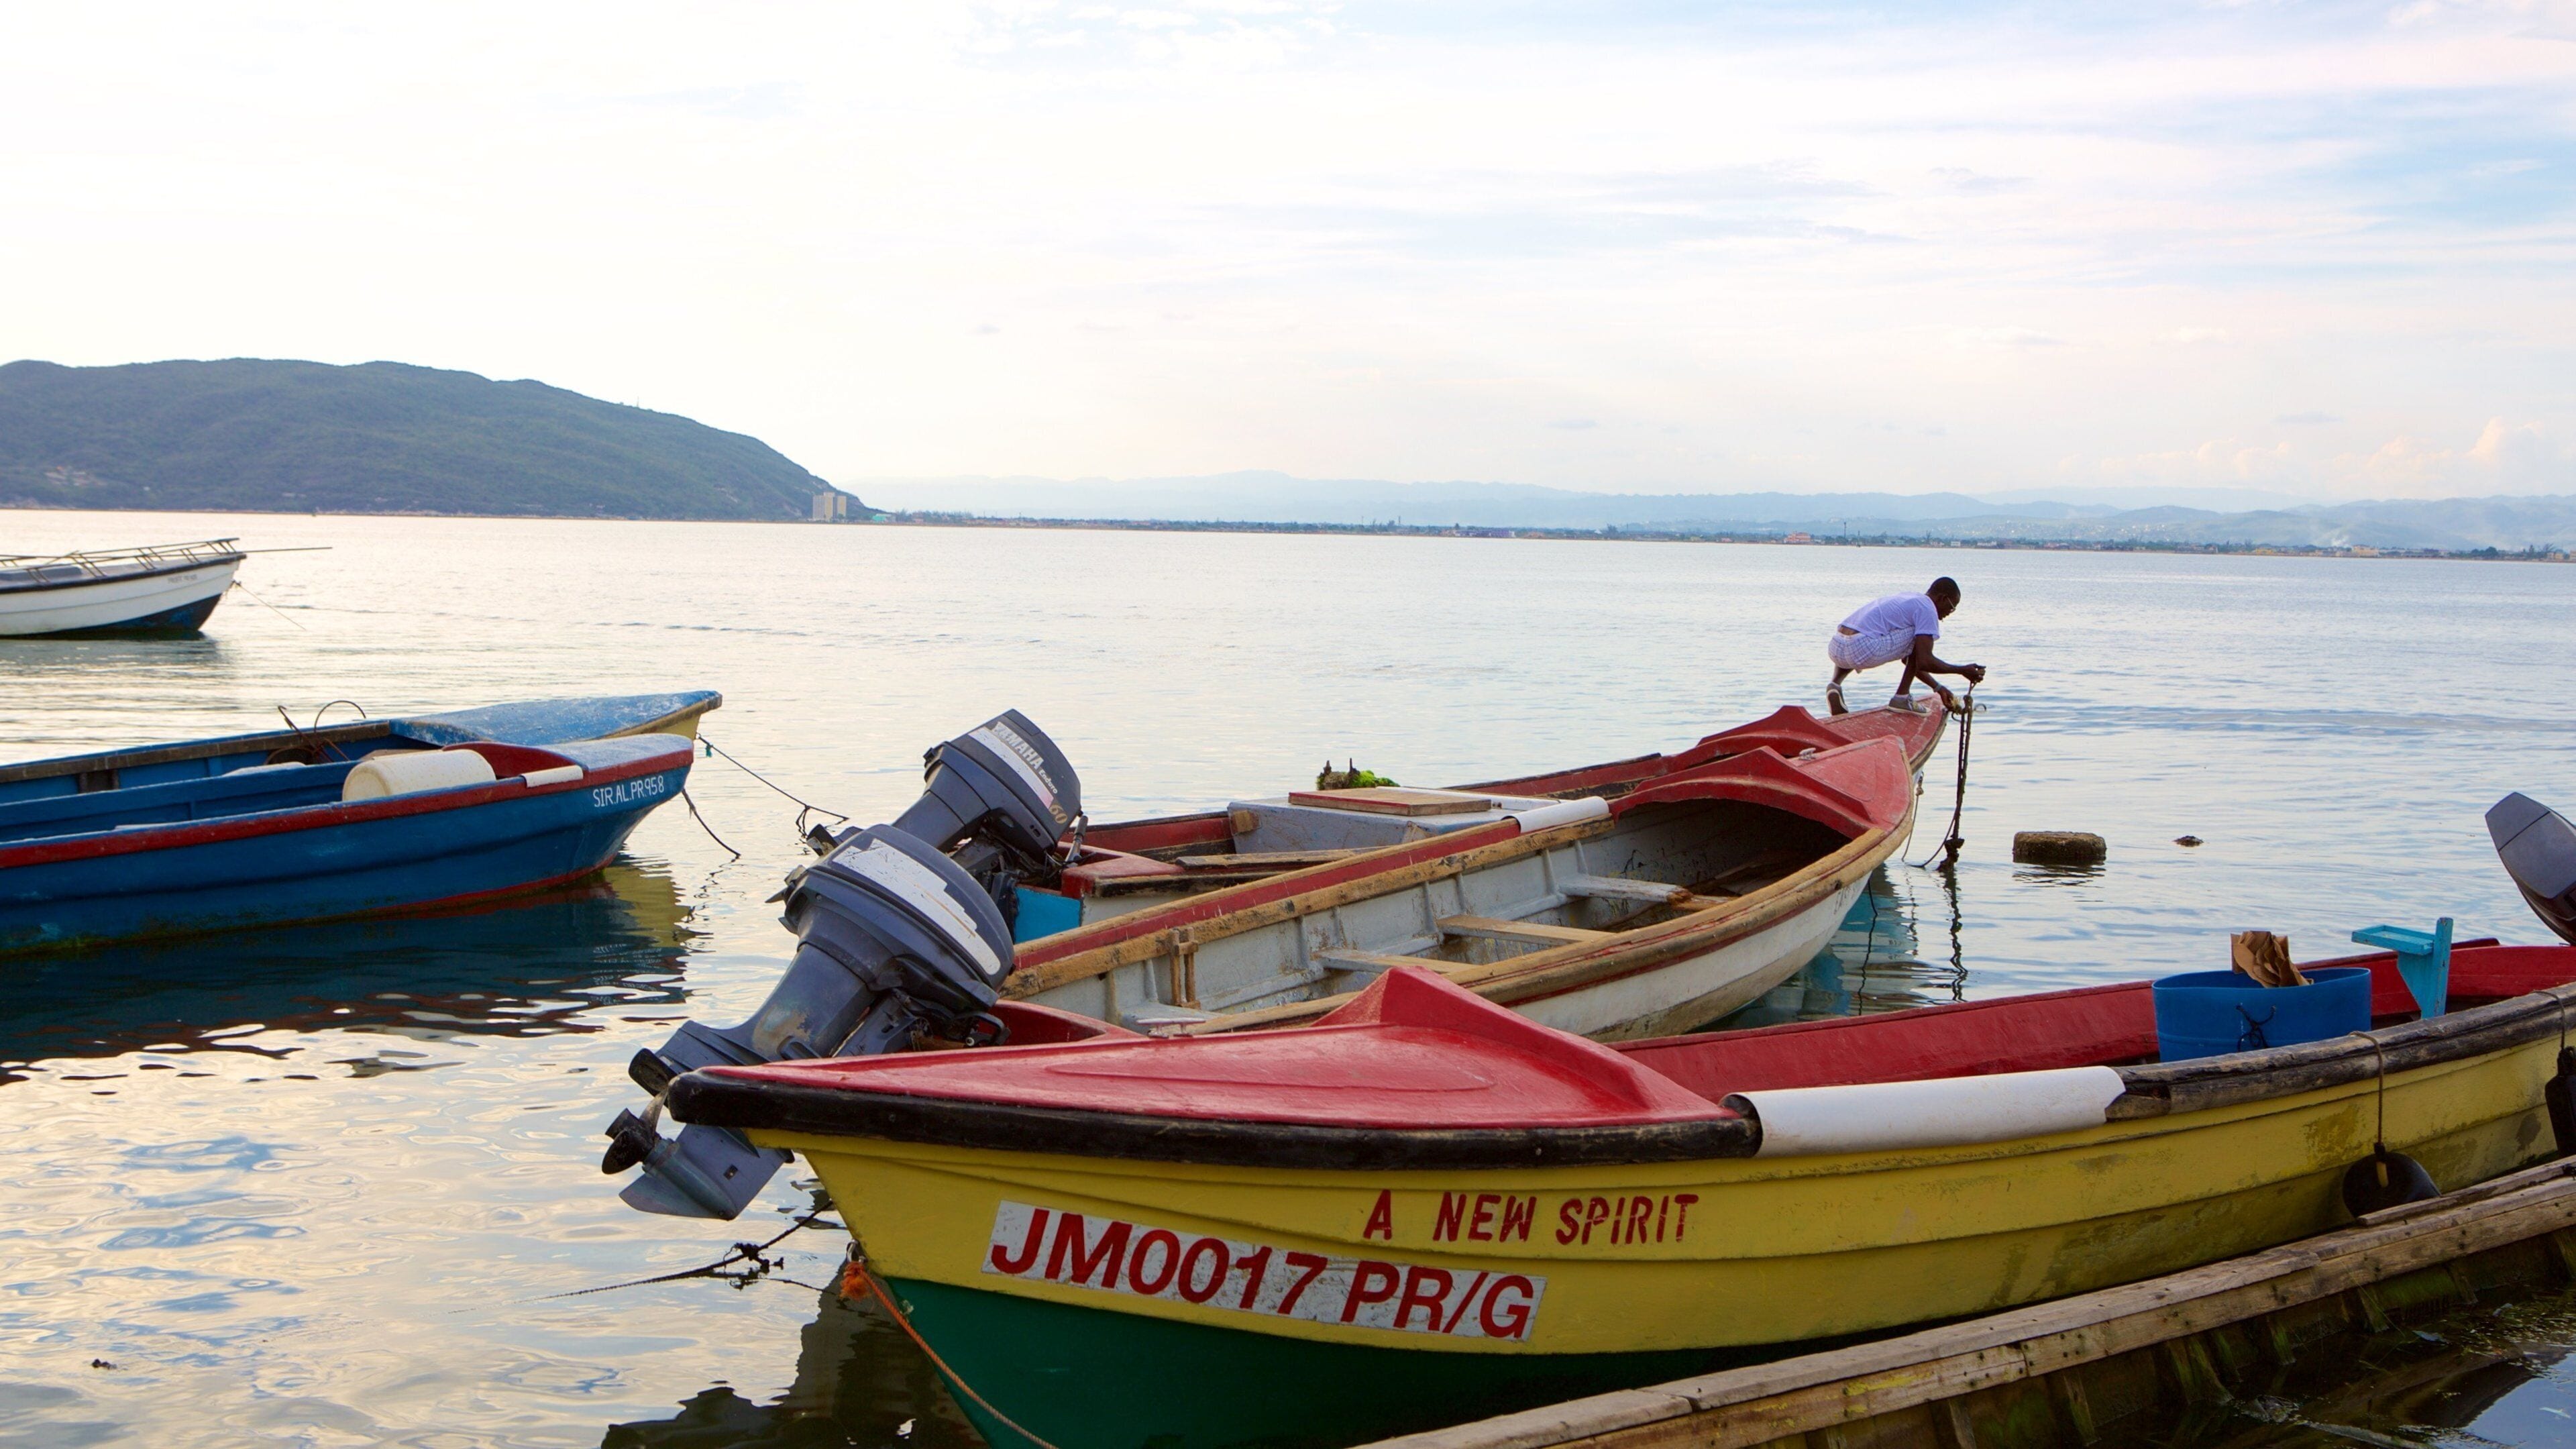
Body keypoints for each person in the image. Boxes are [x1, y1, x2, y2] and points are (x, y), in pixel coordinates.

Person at [1826, 576, 1985, 715]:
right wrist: (1961, 670)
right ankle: (1901, 698)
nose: (1948, 614)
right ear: (1942, 598)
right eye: (1952, 607)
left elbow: (1910, 660)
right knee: (1919, 635)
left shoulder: (1910, 598)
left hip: (1836, 648)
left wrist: (1938, 688)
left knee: (1860, 634)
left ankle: (1835, 685)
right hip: (1861, 649)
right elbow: (1924, 660)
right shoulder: (1927, 608)